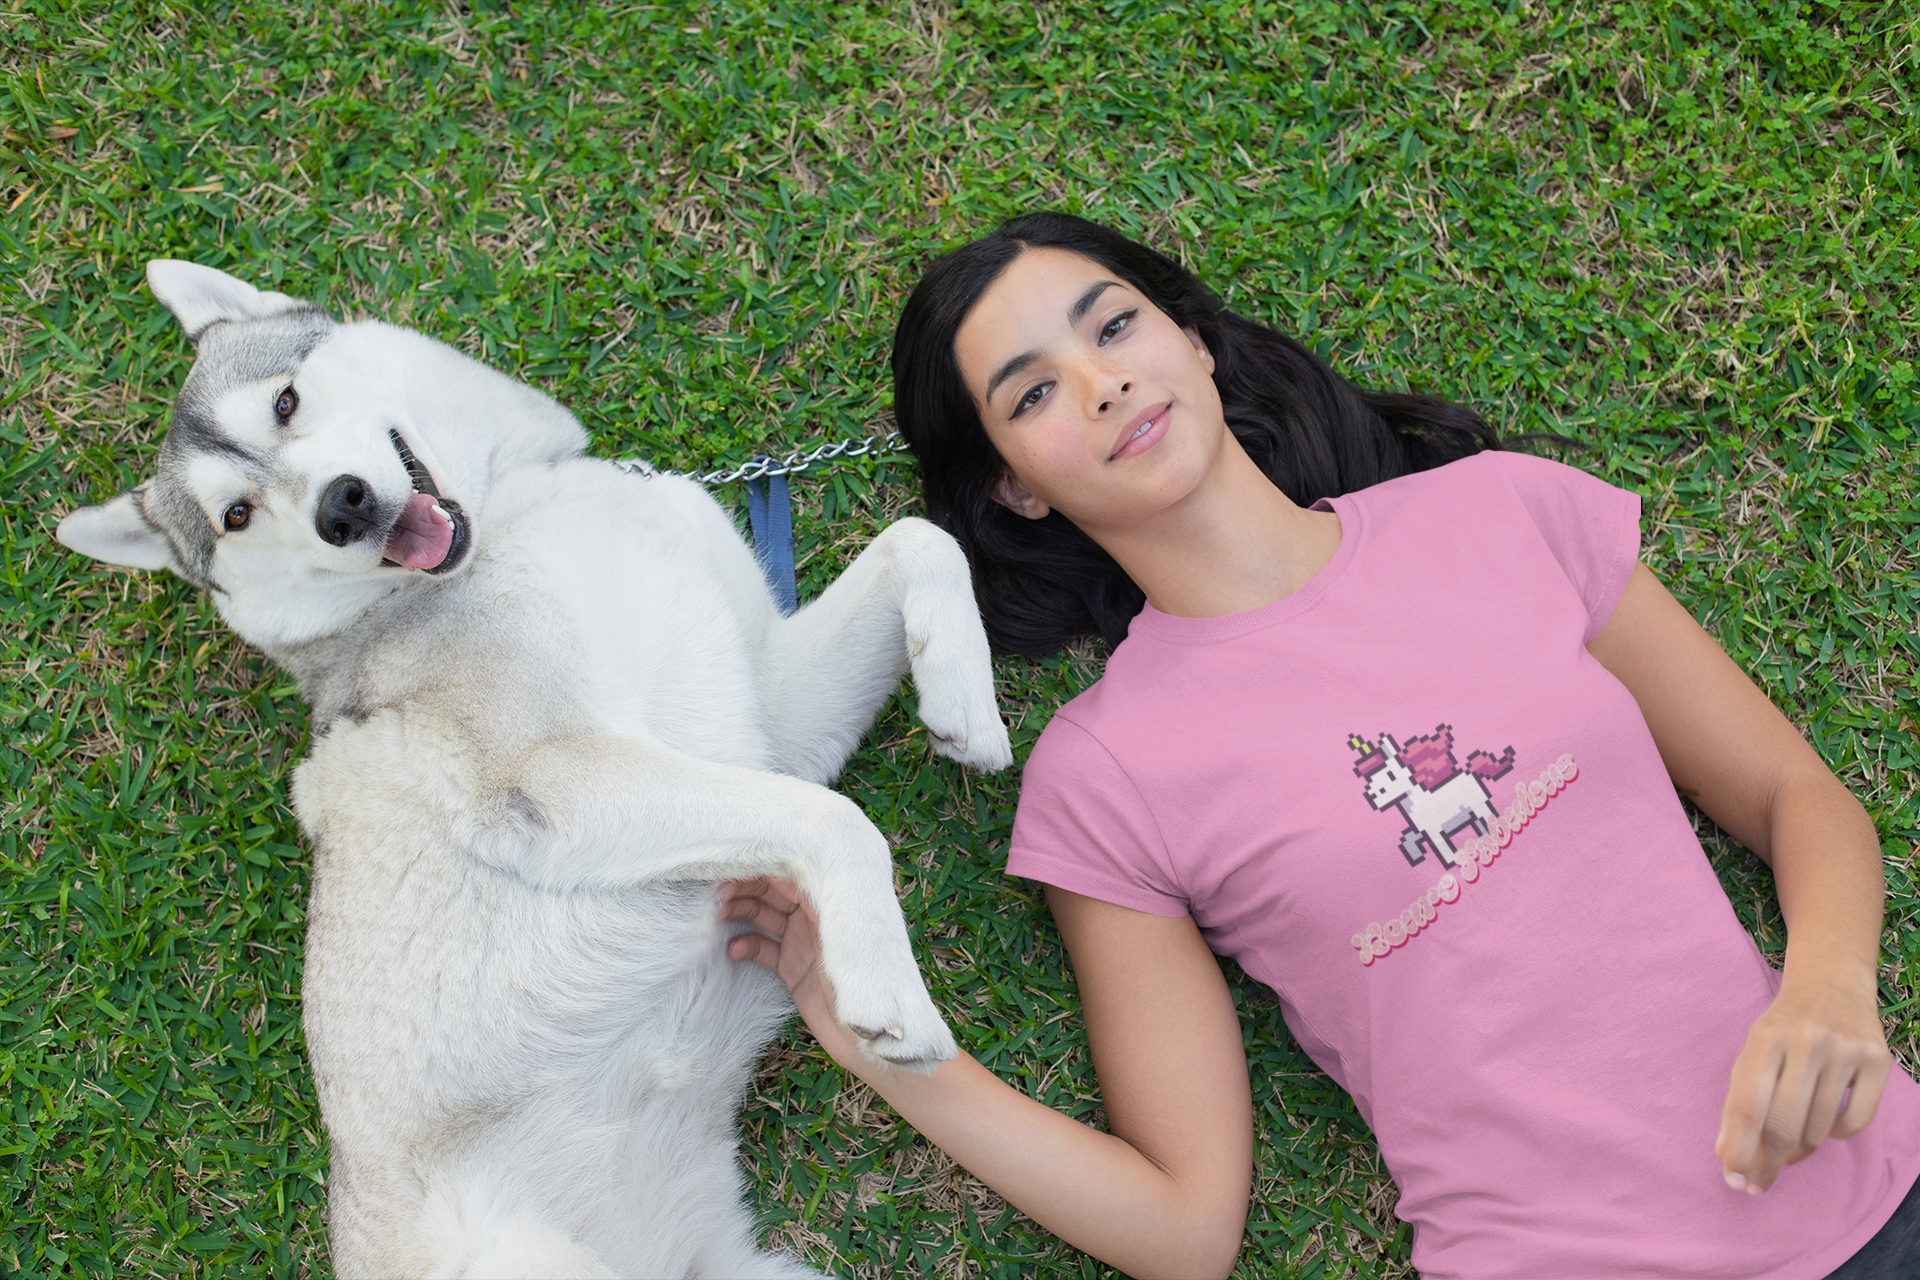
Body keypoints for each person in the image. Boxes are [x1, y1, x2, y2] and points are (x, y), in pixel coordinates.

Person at [718, 212, 1920, 1278]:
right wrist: (873, 1032)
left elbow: (1791, 791)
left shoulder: (1505, 507)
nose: (1100, 384)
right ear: (1015, 489)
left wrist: (1828, 985)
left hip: (1885, 1183)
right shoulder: (1103, 775)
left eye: (1115, 326)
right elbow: (1187, 1228)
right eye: (1031, 395)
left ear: (1195, 341)